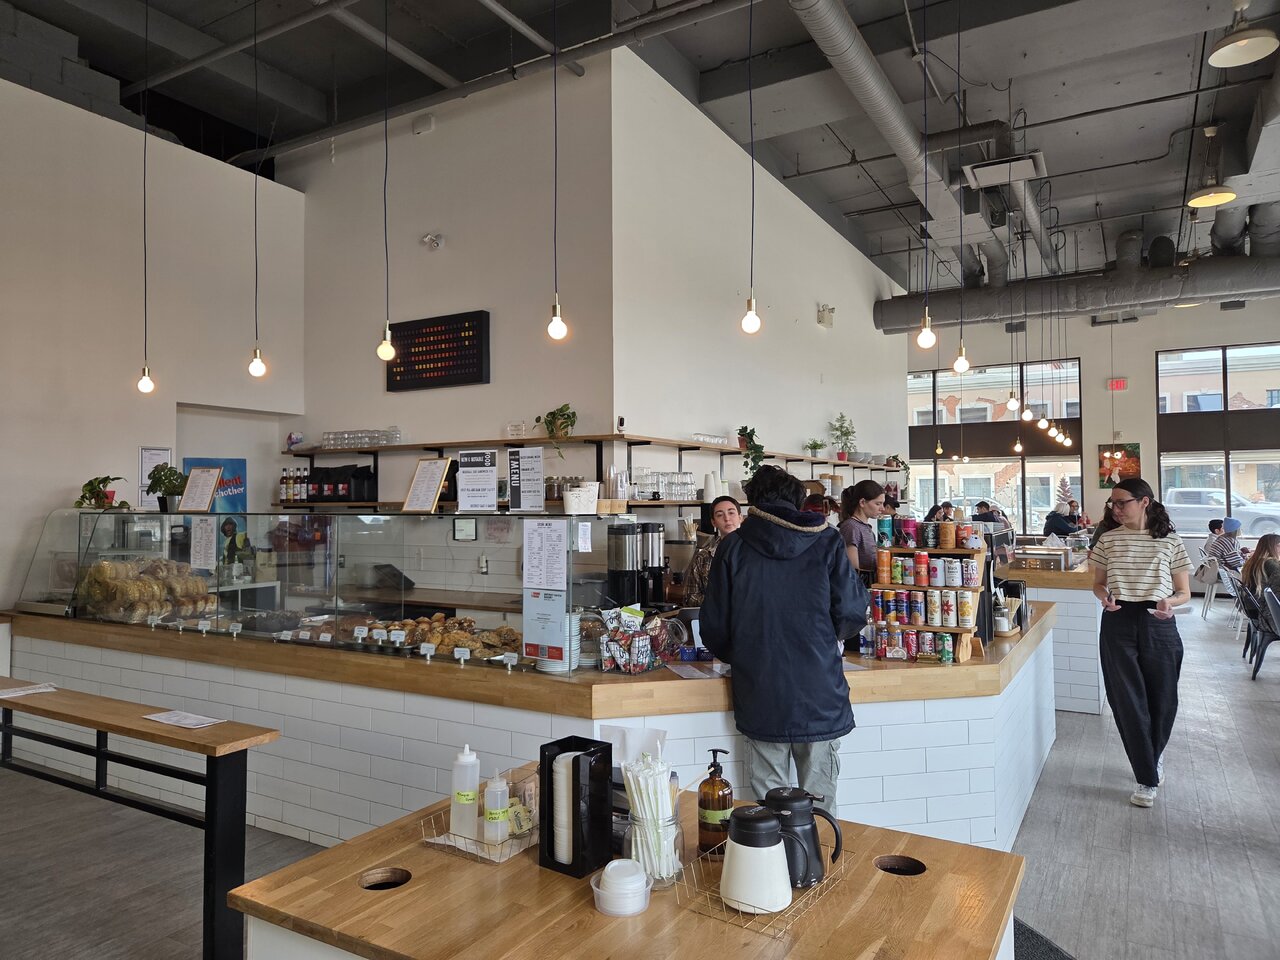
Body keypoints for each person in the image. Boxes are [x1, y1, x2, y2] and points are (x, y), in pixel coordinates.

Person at [700, 465, 867, 804]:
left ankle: (775, 842)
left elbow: (714, 626)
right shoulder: (826, 540)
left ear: (752, 501)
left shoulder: (733, 546)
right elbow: (852, 611)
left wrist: (744, 652)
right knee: (820, 805)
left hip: (759, 686)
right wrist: (823, 640)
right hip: (819, 688)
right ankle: (818, 842)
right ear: (797, 501)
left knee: (769, 808)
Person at [1090, 478, 1192, 808]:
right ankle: (1147, 777)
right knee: (1127, 700)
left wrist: (1169, 602)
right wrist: (1104, 596)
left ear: (1144, 501)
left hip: (1158, 621)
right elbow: (1098, 584)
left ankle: (1153, 755)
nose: (1115, 509)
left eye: (1122, 502)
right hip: (1118, 621)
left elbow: (1184, 592)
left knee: (1163, 698)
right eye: (1112, 504)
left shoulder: (1170, 541)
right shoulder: (1108, 539)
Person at [682, 496, 741, 606]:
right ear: (714, 522)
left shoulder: (753, 552)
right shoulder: (703, 557)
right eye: (720, 515)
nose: (727, 518)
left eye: (731, 513)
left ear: (740, 518)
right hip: (715, 615)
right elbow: (690, 597)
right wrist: (717, 601)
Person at [838, 479, 885, 576]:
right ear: (862, 502)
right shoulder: (851, 527)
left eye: (882, 503)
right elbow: (853, 570)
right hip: (861, 583)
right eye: (878, 504)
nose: (882, 509)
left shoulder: (866, 527)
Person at [1241, 534, 1280, 631]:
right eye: (1279, 545)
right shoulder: (1270, 564)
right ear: (1272, 547)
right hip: (1262, 610)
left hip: (1251, 607)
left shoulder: (1253, 561)